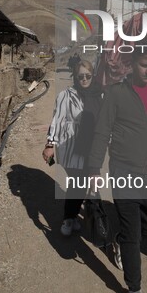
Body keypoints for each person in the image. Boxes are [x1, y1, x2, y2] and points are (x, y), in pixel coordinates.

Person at [88, 47, 147, 293]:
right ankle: (134, 287)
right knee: (132, 232)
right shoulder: (116, 94)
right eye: (144, 65)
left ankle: (118, 238)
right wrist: (94, 168)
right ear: (133, 65)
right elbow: (101, 132)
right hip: (124, 172)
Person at [43, 59, 103, 236]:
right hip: (71, 146)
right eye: (80, 76)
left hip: (92, 148)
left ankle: (75, 216)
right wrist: (50, 145)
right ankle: (68, 219)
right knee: (77, 184)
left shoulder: (99, 95)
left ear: (92, 76)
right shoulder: (66, 95)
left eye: (87, 76)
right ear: (75, 77)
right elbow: (57, 120)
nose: (84, 79)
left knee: (84, 184)